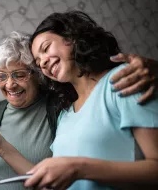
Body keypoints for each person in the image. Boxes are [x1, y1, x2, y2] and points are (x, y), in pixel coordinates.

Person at [0, 31, 156, 189]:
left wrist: (153, 67)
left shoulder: (61, 105)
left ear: (38, 75)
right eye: (1, 76)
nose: (9, 84)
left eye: (19, 74)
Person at [20, 11, 158, 189]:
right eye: (38, 63)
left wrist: (80, 168)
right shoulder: (65, 115)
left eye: (46, 48)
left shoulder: (123, 80)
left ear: (72, 37)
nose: (43, 63)